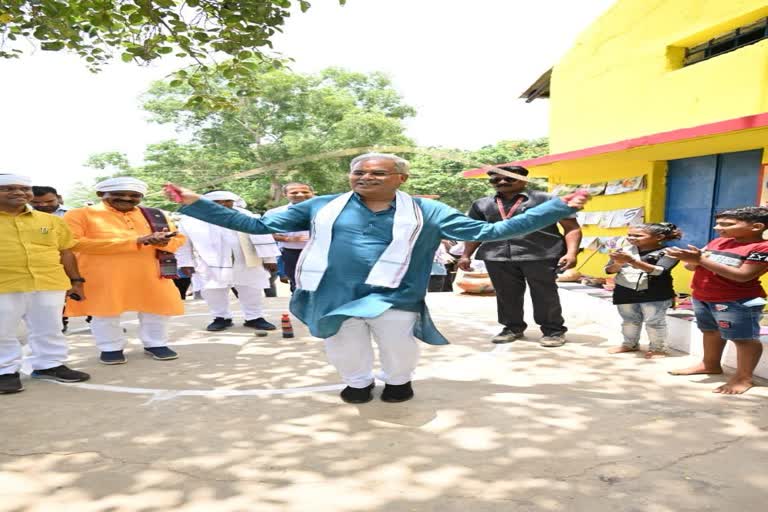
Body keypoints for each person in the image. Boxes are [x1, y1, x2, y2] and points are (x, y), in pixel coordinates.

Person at [167, 153, 589, 404]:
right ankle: (358, 383)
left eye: (378, 173)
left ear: (401, 178)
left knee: (396, 345)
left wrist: (555, 208)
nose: (366, 178)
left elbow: (488, 232)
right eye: (359, 173)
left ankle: (398, 383)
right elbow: (257, 224)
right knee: (344, 344)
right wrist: (196, 203)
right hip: (333, 291)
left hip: (396, 292)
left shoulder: (429, 210)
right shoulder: (322, 205)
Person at [63, 177, 185, 365]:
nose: (127, 199)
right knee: (105, 311)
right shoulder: (80, 214)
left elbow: (178, 238)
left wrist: (165, 241)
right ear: (100, 194)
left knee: (158, 308)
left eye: (134, 196)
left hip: (151, 271)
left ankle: (156, 343)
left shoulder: (155, 215)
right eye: (119, 195)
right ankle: (110, 347)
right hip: (103, 274)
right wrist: (136, 241)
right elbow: (75, 243)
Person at [459, 166, 582, 347]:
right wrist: (465, 255)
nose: (501, 182)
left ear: (523, 179)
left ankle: (553, 330)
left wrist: (571, 253)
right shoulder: (481, 204)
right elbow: (476, 232)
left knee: (544, 294)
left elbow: (571, 227)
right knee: (506, 295)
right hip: (497, 256)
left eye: (508, 178)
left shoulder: (547, 199)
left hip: (541, 254)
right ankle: (512, 328)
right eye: (495, 179)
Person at [0, 174, 90, 394]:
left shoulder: (51, 221)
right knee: (2, 331)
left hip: (49, 282)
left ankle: (50, 364)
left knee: (50, 327)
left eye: (24, 188)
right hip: (4, 283)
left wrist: (76, 281)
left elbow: (66, 251)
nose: (19, 193)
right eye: (9, 188)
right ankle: (5, 371)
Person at [666, 206, 768, 394]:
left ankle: (743, 377)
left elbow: (743, 275)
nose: (717, 228)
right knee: (710, 331)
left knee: (743, 339)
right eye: (718, 223)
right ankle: (710, 364)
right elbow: (692, 266)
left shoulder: (762, 247)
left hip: (737, 300)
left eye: (727, 224)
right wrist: (690, 259)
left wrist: (701, 260)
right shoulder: (718, 242)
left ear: (757, 227)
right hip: (703, 296)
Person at [176, 191, 279, 332]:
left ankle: (254, 317)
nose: (223, 204)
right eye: (217, 202)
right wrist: (185, 263)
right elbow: (183, 243)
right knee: (213, 291)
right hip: (209, 262)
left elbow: (263, 236)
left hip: (246, 260)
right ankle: (221, 318)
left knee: (251, 289)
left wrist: (269, 258)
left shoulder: (247, 215)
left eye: (227, 201)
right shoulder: (190, 220)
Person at [604, 223, 682, 358]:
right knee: (629, 320)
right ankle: (629, 344)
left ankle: (658, 348)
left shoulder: (671, 252)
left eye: (638, 235)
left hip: (654, 293)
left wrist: (631, 261)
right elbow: (608, 270)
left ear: (659, 237)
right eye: (630, 235)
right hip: (625, 291)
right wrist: (618, 263)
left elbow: (659, 271)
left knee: (654, 322)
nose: (631, 238)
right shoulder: (625, 250)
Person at [264, 182, 315, 292]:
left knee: (321, 282)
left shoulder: (326, 209)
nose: (300, 194)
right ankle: (300, 307)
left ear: (312, 193)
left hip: (321, 252)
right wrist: (287, 239)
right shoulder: (275, 213)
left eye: (305, 192)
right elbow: (263, 233)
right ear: (285, 194)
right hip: (291, 253)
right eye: (294, 192)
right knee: (297, 284)